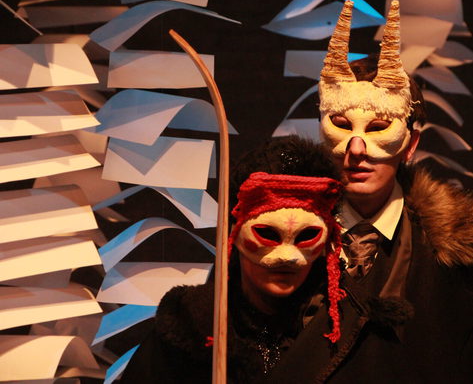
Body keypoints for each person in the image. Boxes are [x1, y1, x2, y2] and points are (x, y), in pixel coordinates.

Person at [311, 0, 473, 383]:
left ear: (411, 145)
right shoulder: (283, 233)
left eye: (379, 128)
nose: (357, 149)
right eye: (341, 125)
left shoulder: (459, 254)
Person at [119, 136, 349, 383]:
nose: (287, 257)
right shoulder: (191, 329)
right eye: (268, 234)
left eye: (306, 236)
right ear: (234, 232)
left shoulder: (345, 327)